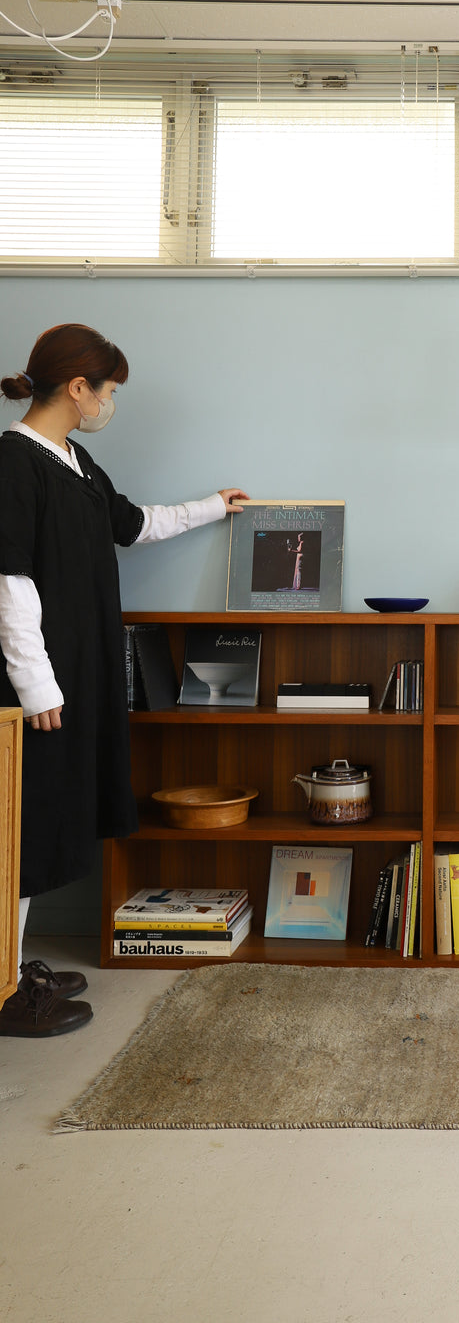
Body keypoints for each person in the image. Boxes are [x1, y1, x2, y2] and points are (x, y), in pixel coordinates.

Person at [0, 323, 248, 1037]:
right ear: (78, 388)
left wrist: (212, 506)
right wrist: (35, 686)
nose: (109, 403)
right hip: (41, 683)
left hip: (83, 668)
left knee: (48, 822)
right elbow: (9, 579)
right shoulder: (15, 464)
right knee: (23, 829)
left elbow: (133, 525)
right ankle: (8, 993)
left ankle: (15, 971)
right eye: (107, 391)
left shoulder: (75, 461)